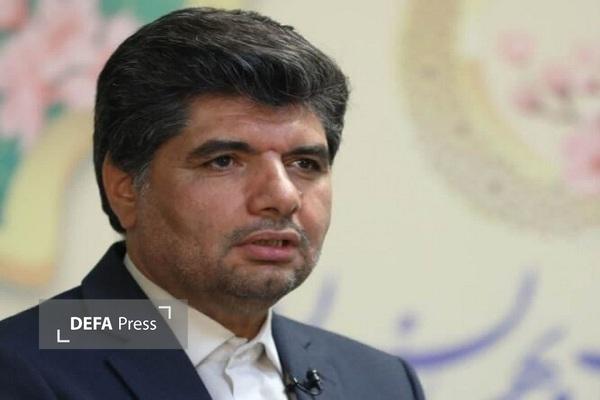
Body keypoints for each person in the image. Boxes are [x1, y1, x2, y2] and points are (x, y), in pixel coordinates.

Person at [0, 7, 424, 400]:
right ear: (124, 186)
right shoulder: (20, 366)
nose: (282, 196)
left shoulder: (381, 382)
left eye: (304, 164)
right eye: (224, 161)